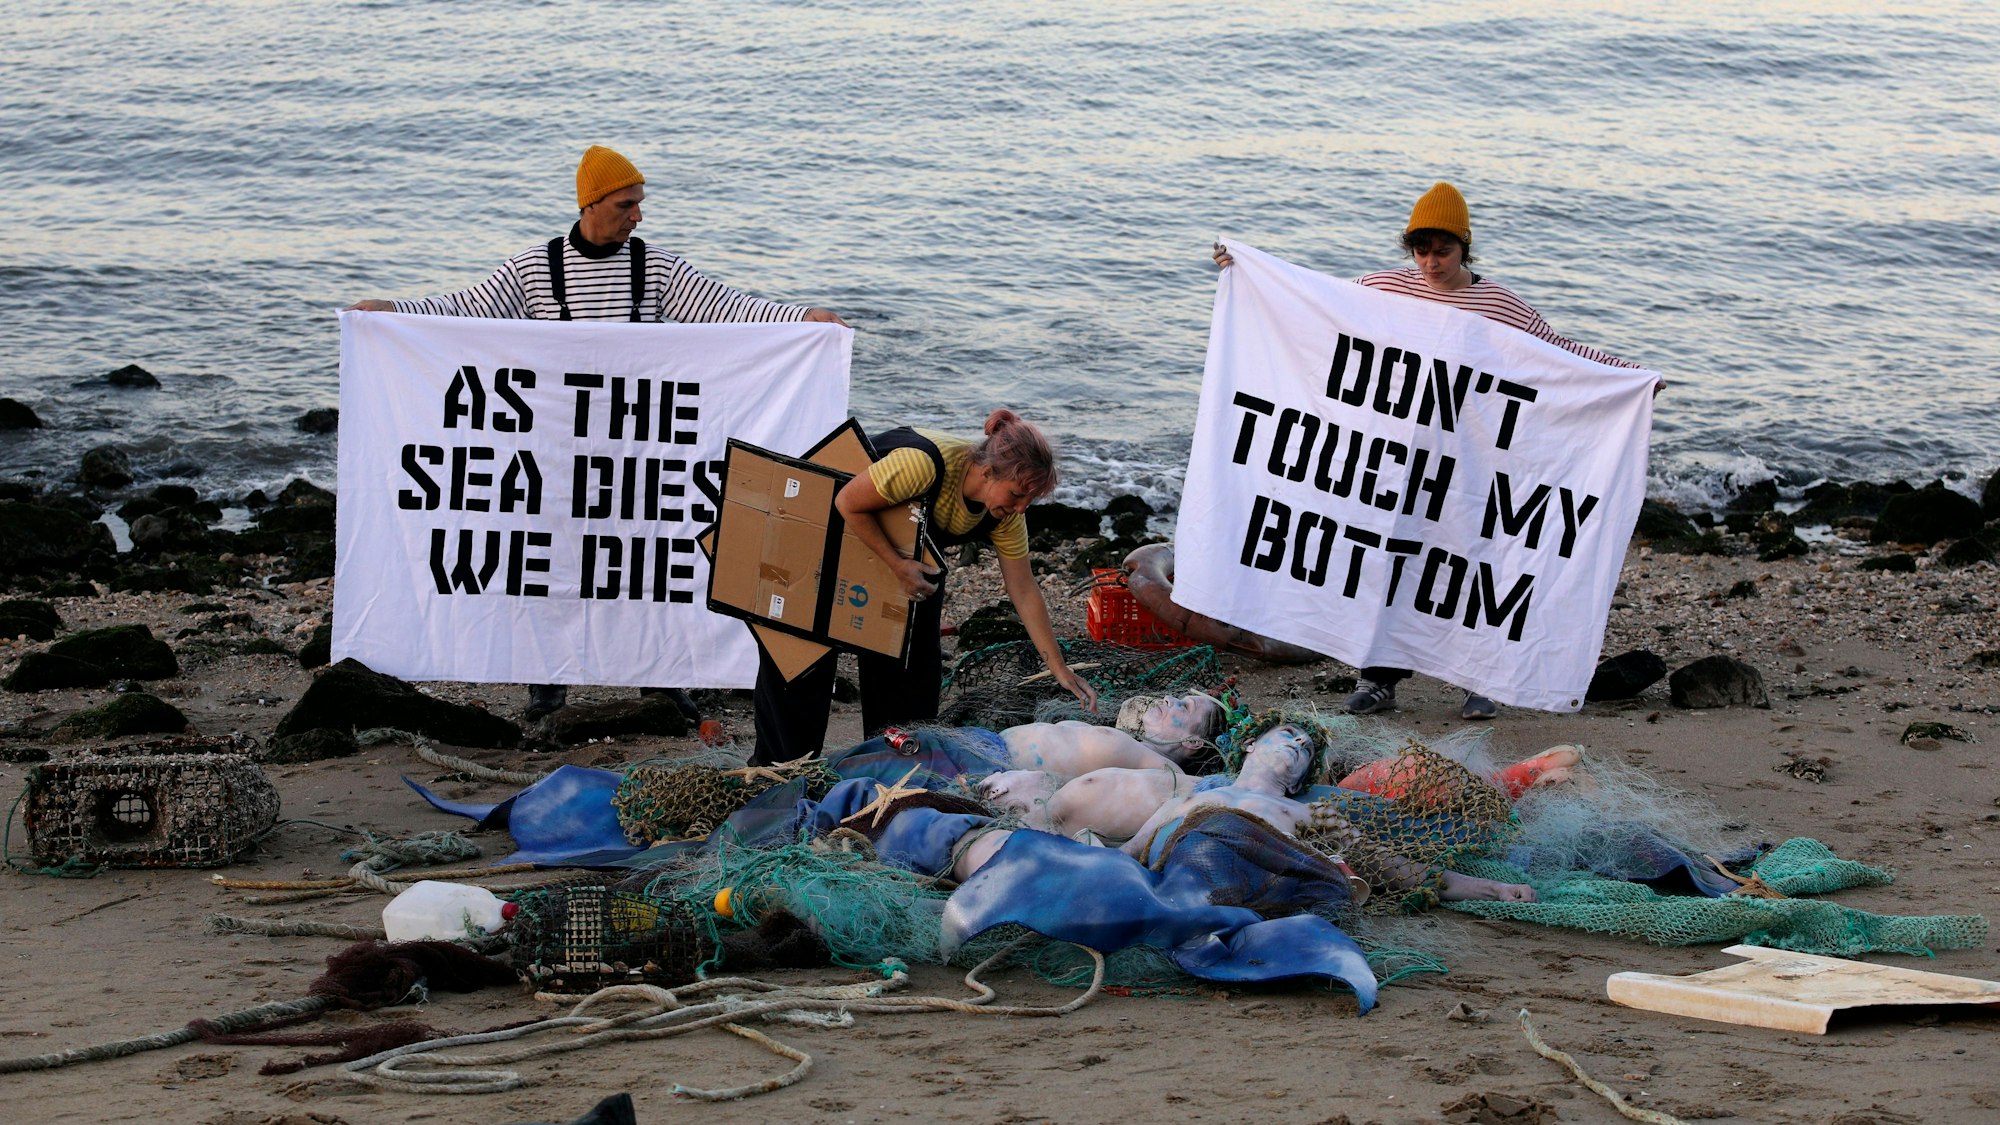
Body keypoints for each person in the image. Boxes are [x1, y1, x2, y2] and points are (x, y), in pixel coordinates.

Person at [347, 143, 847, 722]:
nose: (638, 216)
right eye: (626, 204)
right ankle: (546, 682)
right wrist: (392, 316)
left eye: (639, 204)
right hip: (555, 449)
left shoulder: (654, 268)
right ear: (591, 204)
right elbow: (461, 313)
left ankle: (662, 680)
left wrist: (799, 320)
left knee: (646, 561)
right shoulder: (535, 268)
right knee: (548, 560)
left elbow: (725, 309)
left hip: (637, 449)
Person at [1213, 180, 1656, 722]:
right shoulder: (1384, 289)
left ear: (1464, 246)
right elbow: (1311, 308)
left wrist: (1628, 379)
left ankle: (1478, 681)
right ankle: (1378, 679)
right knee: (1390, 561)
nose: (1430, 262)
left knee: (1465, 563)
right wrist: (1246, 271)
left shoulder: (1497, 304)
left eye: (1442, 251)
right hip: (1397, 463)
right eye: (1420, 250)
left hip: (1469, 463)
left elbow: (1557, 355)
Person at [751, 410, 1098, 763]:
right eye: (1016, 495)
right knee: (801, 673)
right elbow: (847, 503)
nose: (1021, 508)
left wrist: (1057, 666)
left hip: (896, 558)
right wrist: (897, 564)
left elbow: (1023, 589)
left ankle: (890, 775)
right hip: (821, 541)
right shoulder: (922, 464)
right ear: (988, 472)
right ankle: (777, 776)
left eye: (1030, 501)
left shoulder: (1004, 515)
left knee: (911, 685)